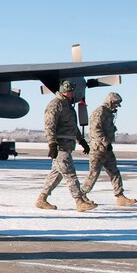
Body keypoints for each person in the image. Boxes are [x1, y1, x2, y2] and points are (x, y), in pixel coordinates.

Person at [36, 80, 97, 212]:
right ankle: (79, 201)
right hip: (60, 146)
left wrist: (82, 141)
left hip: (68, 145)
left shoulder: (68, 106)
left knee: (56, 175)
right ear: (65, 91)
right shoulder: (56, 104)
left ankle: (42, 199)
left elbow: (73, 127)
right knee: (70, 173)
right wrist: (52, 144)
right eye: (71, 91)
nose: (73, 94)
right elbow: (49, 125)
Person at [81, 92, 137, 206]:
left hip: (106, 149)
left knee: (114, 172)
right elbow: (95, 130)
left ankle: (120, 196)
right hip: (98, 149)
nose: (117, 106)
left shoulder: (109, 113)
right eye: (116, 104)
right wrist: (105, 142)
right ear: (111, 101)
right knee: (94, 173)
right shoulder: (100, 111)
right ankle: (82, 195)